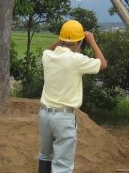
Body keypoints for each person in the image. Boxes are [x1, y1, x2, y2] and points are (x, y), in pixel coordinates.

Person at [37, 20, 107, 173]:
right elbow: (102, 64)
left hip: (44, 115)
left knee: (45, 155)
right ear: (79, 42)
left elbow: (52, 49)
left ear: (61, 40)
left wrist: (64, 39)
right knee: (63, 166)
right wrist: (92, 41)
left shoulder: (47, 56)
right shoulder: (76, 60)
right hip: (63, 118)